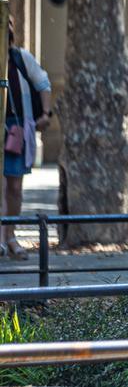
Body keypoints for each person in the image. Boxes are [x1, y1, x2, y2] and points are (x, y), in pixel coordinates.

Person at [3, 20, 52, 259]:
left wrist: (45, 114)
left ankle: (10, 236)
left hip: (16, 128)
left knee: (13, 186)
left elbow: (42, 82)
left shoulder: (20, 58)